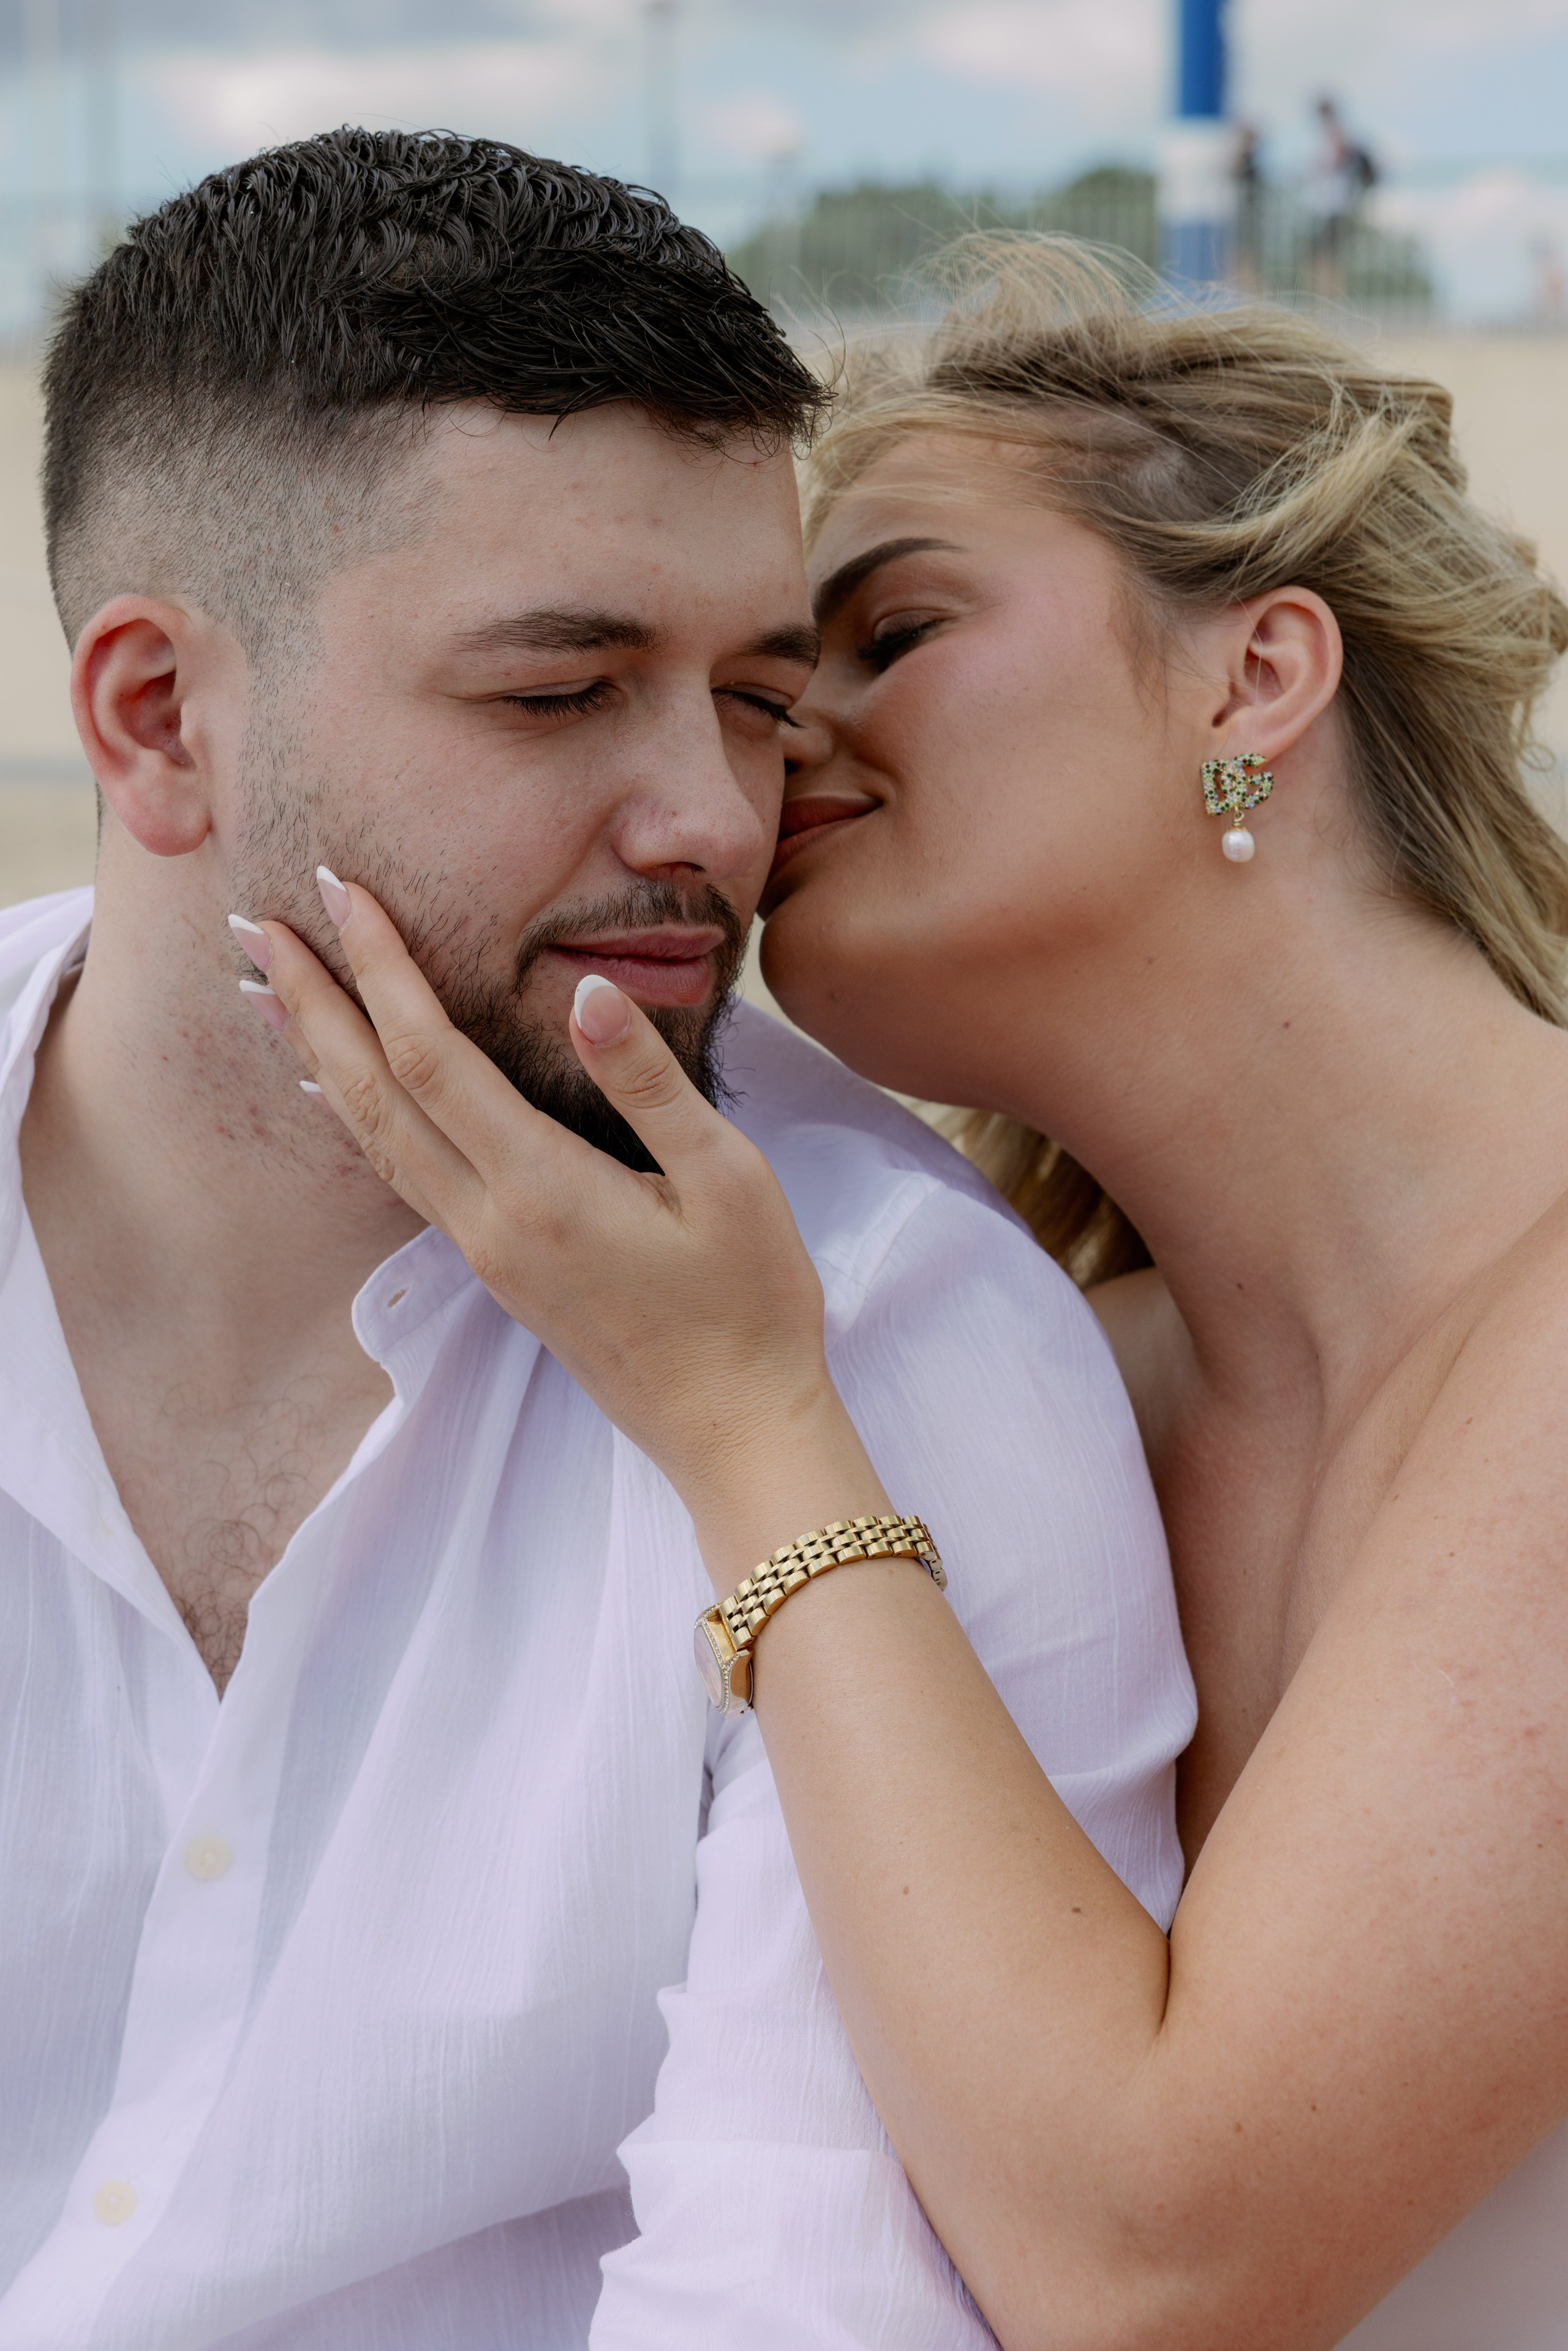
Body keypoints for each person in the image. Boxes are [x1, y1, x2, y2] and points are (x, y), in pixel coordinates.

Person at [268, 239, 1568, 2351]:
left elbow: (1166, 2272)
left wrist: (748, 1424)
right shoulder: (1053, 1377)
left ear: (1258, 679)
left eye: (889, 633)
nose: (770, 750)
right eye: (776, 685)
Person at [1, 153, 1195, 2346]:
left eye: (756, 696)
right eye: (559, 694)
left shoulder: (899, 1336)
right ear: (159, 718)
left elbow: (809, 2299)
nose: (718, 824)